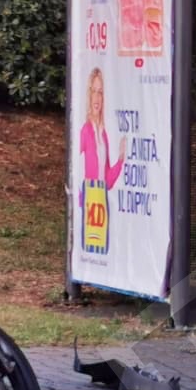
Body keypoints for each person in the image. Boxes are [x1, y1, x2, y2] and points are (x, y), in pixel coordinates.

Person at [78, 68, 127, 254]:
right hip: (88, 201)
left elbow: (107, 179)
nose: (97, 97)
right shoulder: (85, 131)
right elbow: (77, 167)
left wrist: (121, 159)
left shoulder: (103, 133)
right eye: (94, 91)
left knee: (100, 249)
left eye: (100, 92)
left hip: (100, 201)